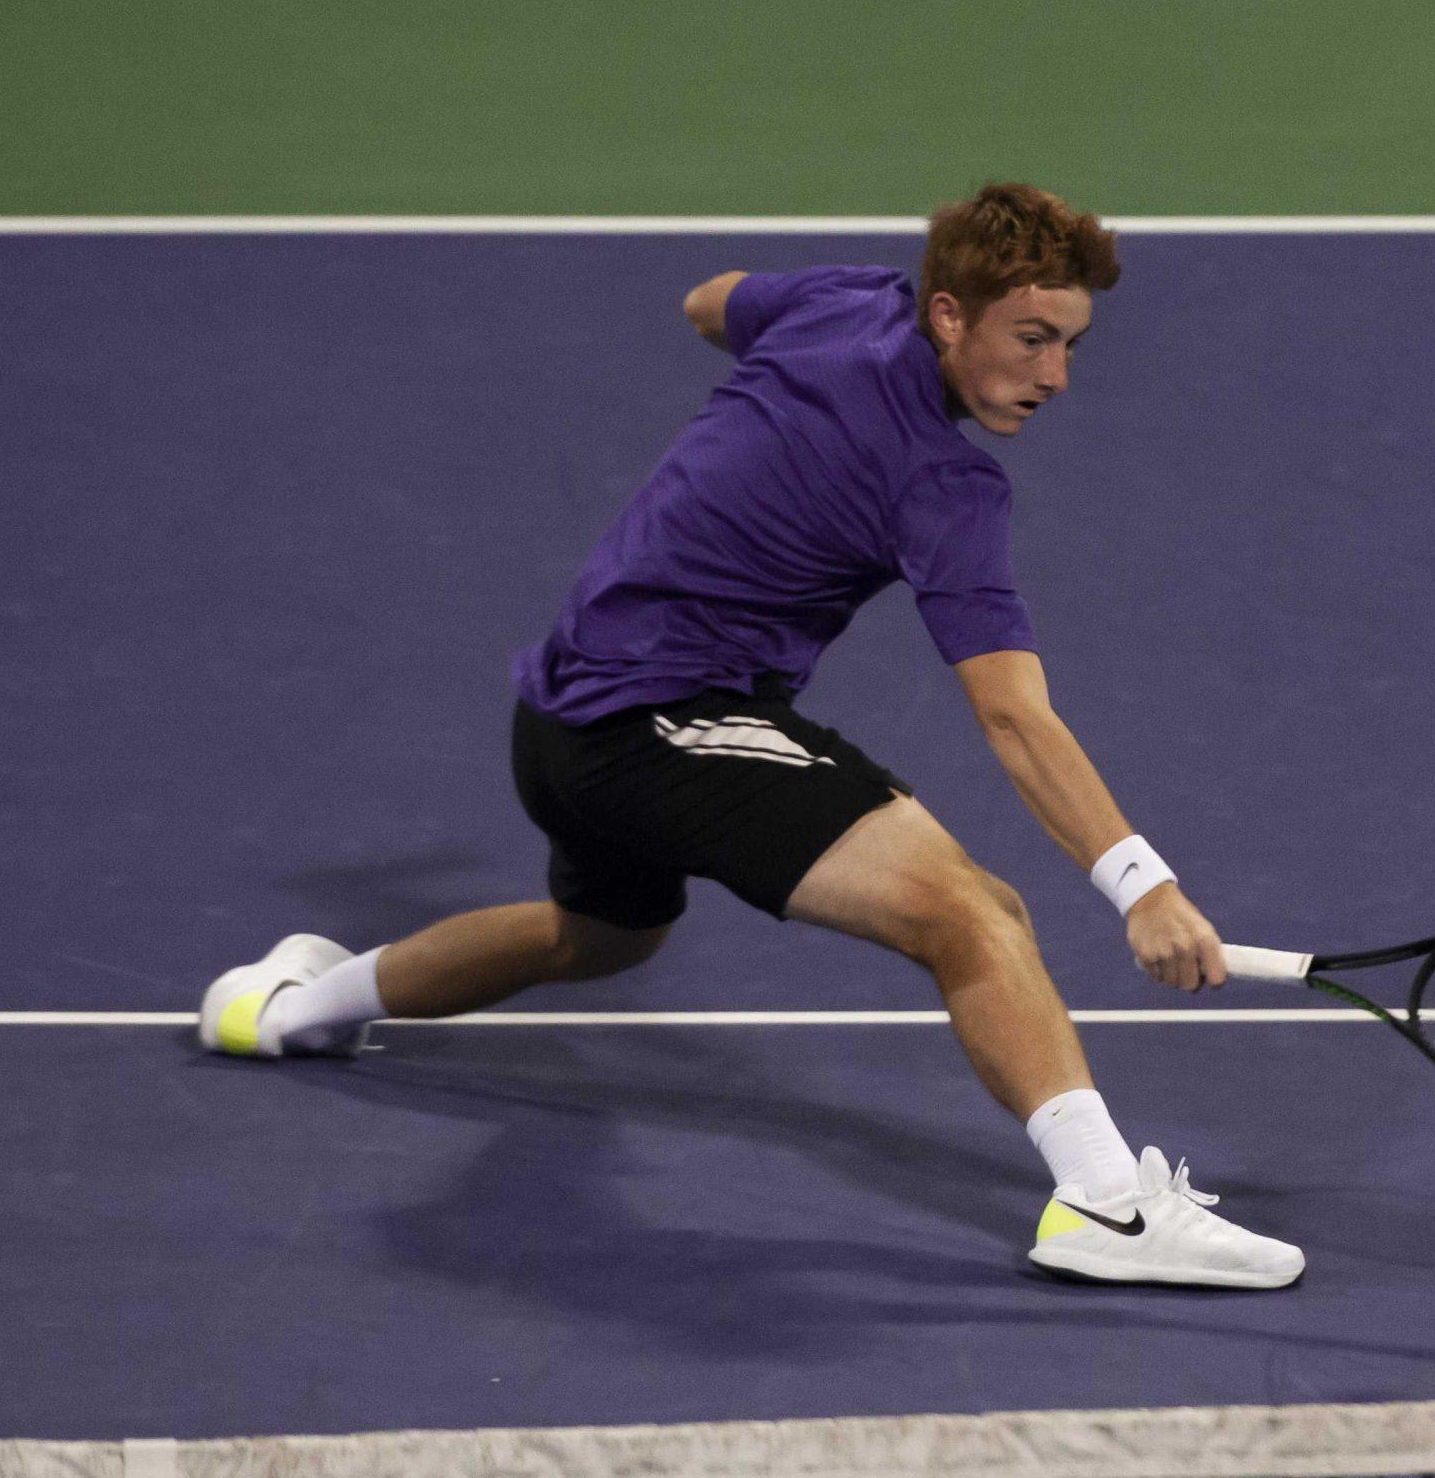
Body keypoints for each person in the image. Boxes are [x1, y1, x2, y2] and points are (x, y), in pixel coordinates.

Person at [199, 183, 1302, 1289]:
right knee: (975, 913)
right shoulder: (944, 482)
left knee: (602, 938)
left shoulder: (844, 301)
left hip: (557, 717)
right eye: (1033, 338)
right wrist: (1141, 884)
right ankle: (1106, 1205)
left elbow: (708, 301)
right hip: (661, 718)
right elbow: (1012, 713)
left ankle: (289, 1008)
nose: (1056, 375)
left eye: (1069, 344)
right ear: (952, 314)